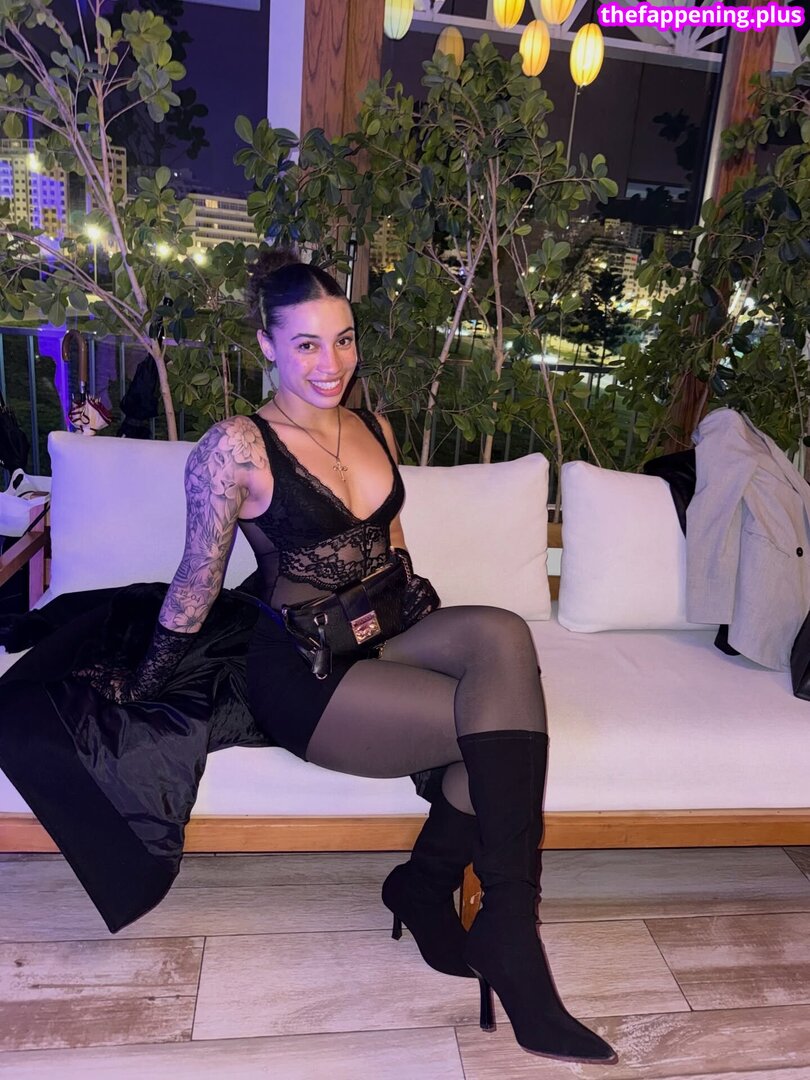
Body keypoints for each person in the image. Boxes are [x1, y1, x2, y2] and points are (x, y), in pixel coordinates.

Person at [101, 250, 616, 1065]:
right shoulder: (236, 447)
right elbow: (197, 582)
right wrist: (145, 681)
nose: (331, 363)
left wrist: (438, 648)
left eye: (343, 340)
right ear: (266, 345)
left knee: (501, 639)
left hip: (382, 629)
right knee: (493, 735)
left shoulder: (373, 425)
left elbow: (394, 555)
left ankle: (449, 899)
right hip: (303, 672)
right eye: (306, 344)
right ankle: (496, 928)